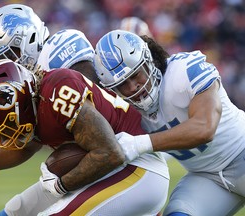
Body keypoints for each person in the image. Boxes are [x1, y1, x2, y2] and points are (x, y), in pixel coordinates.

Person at [0, 58, 169, 216]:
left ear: (18, 101)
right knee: (17, 209)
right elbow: (27, 146)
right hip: (109, 169)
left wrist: (61, 185)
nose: (5, 132)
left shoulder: (58, 92)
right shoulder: (36, 103)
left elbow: (109, 153)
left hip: (138, 168)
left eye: (6, 123)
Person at [93, 29, 245, 216]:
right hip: (206, 178)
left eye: (135, 75)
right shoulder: (125, 110)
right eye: (122, 84)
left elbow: (205, 128)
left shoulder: (182, 71)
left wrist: (140, 143)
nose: (133, 87)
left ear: (148, 61)